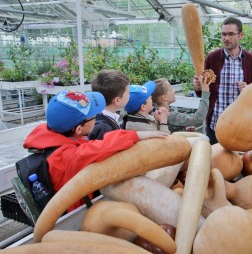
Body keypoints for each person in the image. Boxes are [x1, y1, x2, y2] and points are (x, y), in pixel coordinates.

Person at [23, 90, 167, 212]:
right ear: (79, 129)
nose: (97, 117)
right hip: (75, 213)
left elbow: (90, 144)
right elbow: (102, 146)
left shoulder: (53, 132)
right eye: (93, 116)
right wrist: (136, 135)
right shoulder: (68, 157)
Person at [193, 16, 252, 144]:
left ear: (240, 35)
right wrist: (198, 87)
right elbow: (204, 88)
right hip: (215, 122)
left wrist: (248, 89)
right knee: (215, 158)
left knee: (237, 160)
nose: (226, 38)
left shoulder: (251, 60)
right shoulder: (212, 58)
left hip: (240, 123)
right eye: (224, 34)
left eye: (231, 34)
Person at [88, 70, 130, 140]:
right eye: (128, 93)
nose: (129, 96)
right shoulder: (103, 128)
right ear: (117, 100)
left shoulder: (100, 118)